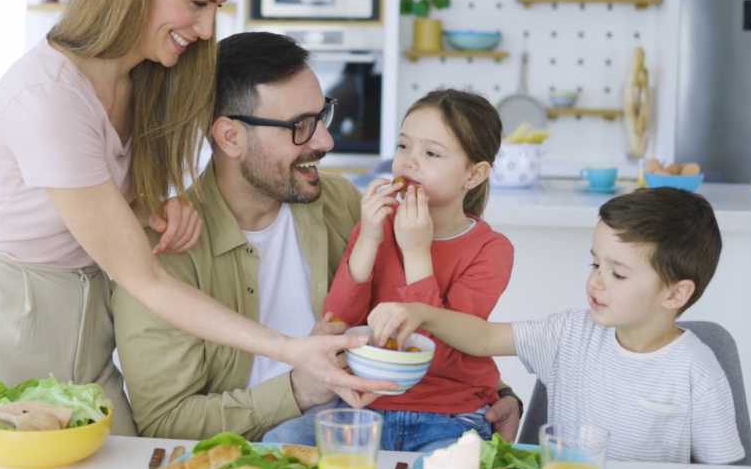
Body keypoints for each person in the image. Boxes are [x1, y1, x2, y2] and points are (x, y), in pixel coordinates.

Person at [0, 0, 388, 436]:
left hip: (89, 316)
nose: (208, 29)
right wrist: (292, 352)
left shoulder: (145, 79)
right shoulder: (47, 97)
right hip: (5, 316)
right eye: (198, 2)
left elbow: (95, 201)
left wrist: (149, 205)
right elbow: (146, 279)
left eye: (216, 8)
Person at [112, 33, 523, 441]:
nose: (326, 141)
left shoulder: (340, 202)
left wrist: (496, 395)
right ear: (230, 136)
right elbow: (165, 423)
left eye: (322, 116)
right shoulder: (161, 252)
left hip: (375, 433)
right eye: (300, 127)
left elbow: (426, 320)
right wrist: (298, 390)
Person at [368, 187, 745, 464]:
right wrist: (424, 313)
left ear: (675, 295)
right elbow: (483, 338)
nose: (597, 281)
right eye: (595, 264)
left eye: (618, 273)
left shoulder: (697, 371)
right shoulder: (569, 333)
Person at [264, 89, 516, 452]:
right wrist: (367, 238)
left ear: (474, 174)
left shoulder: (491, 250)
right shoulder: (377, 225)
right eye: (403, 146)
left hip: (450, 415)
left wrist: (416, 254)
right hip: (366, 408)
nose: (409, 162)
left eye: (431, 153)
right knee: (276, 445)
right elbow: (338, 319)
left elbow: (439, 350)